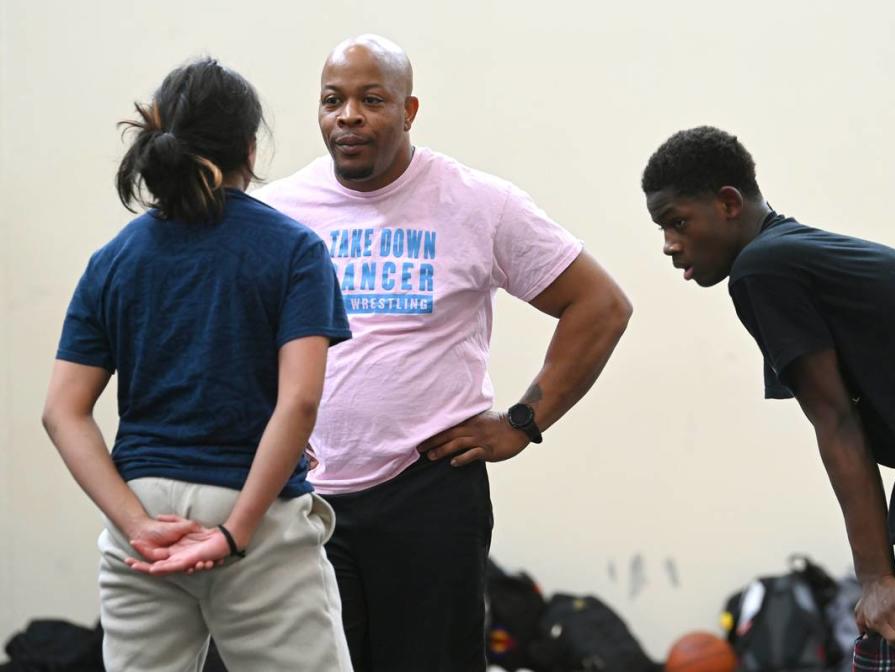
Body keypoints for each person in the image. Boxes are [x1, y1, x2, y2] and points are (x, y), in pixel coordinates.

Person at [254, 34, 633, 671]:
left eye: (372, 100)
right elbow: (240, 335)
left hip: (428, 492)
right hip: (304, 495)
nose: (348, 115)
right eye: (332, 100)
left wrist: (523, 422)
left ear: (409, 110)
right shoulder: (280, 212)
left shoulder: (478, 202)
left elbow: (600, 306)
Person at [41, 58, 354, 672]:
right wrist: (234, 532)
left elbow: (62, 412)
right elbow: (299, 403)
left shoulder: (114, 260)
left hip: (143, 517)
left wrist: (134, 523)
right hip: (253, 515)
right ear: (249, 147)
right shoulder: (293, 250)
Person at [642, 126, 895, 672]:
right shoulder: (795, 253)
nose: (669, 244)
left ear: (727, 203)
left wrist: (875, 578)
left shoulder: (763, 269)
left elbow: (836, 422)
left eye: (677, 222)